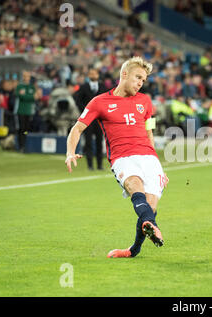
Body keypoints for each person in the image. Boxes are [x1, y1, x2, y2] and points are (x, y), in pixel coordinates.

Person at [65, 56, 169, 258]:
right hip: (122, 157)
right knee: (133, 186)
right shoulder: (100, 101)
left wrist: (157, 164)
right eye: (137, 77)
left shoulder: (146, 101)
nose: (140, 83)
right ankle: (153, 227)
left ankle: (134, 249)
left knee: (150, 207)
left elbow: (150, 132)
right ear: (124, 74)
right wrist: (70, 152)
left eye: (143, 80)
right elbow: (77, 129)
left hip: (149, 157)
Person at [74, 68, 106, 170]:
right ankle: (90, 165)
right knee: (88, 142)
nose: (93, 75)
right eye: (91, 73)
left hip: (99, 119)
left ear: (98, 75)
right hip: (87, 120)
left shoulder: (102, 87)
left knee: (99, 141)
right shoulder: (83, 87)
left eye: (95, 73)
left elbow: (106, 101)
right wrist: (85, 111)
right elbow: (77, 100)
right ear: (88, 75)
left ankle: (100, 165)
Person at [14, 71, 37, 152]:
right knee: (21, 128)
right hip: (20, 111)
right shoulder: (19, 86)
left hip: (29, 111)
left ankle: (24, 145)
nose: (26, 78)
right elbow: (19, 95)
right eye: (25, 76)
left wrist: (25, 96)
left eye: (27, 76)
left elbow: (34, 97)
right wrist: (28, 97)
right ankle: (20, 146)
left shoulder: (32, 87)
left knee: (26, 129)